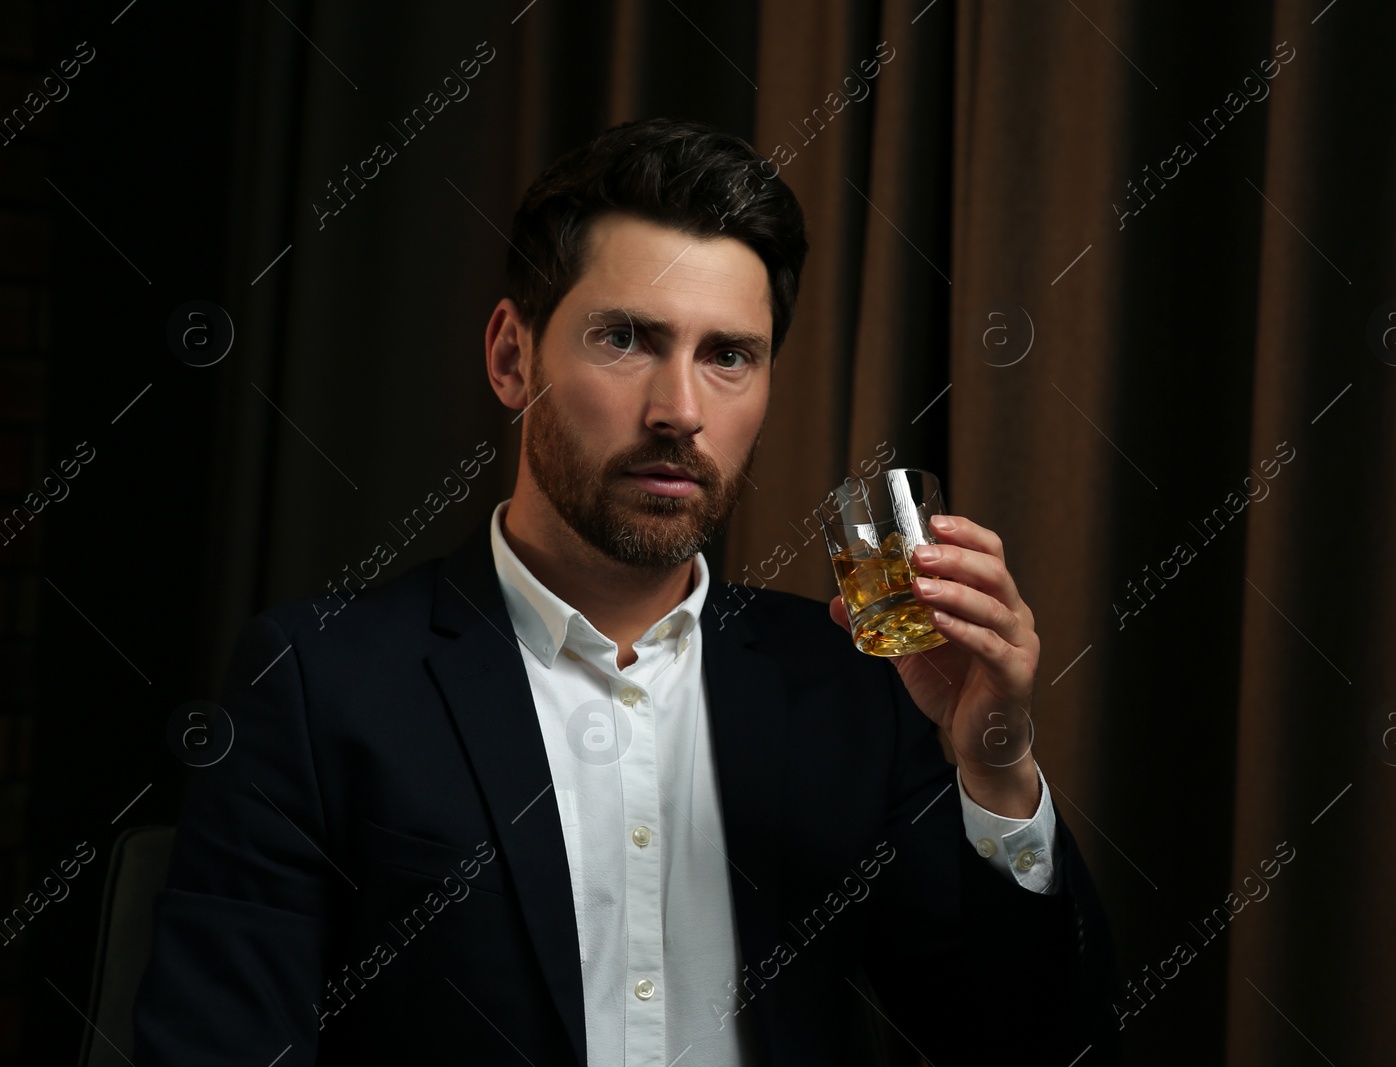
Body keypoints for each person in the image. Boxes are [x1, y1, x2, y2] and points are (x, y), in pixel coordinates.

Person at [131, 116, 1117, 1065]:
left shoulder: (857, 679)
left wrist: (994, 770)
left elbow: (1032, 1048)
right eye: (626, 339)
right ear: (513, 357)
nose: (678, 411)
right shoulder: (319, 682)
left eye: (727, 355)